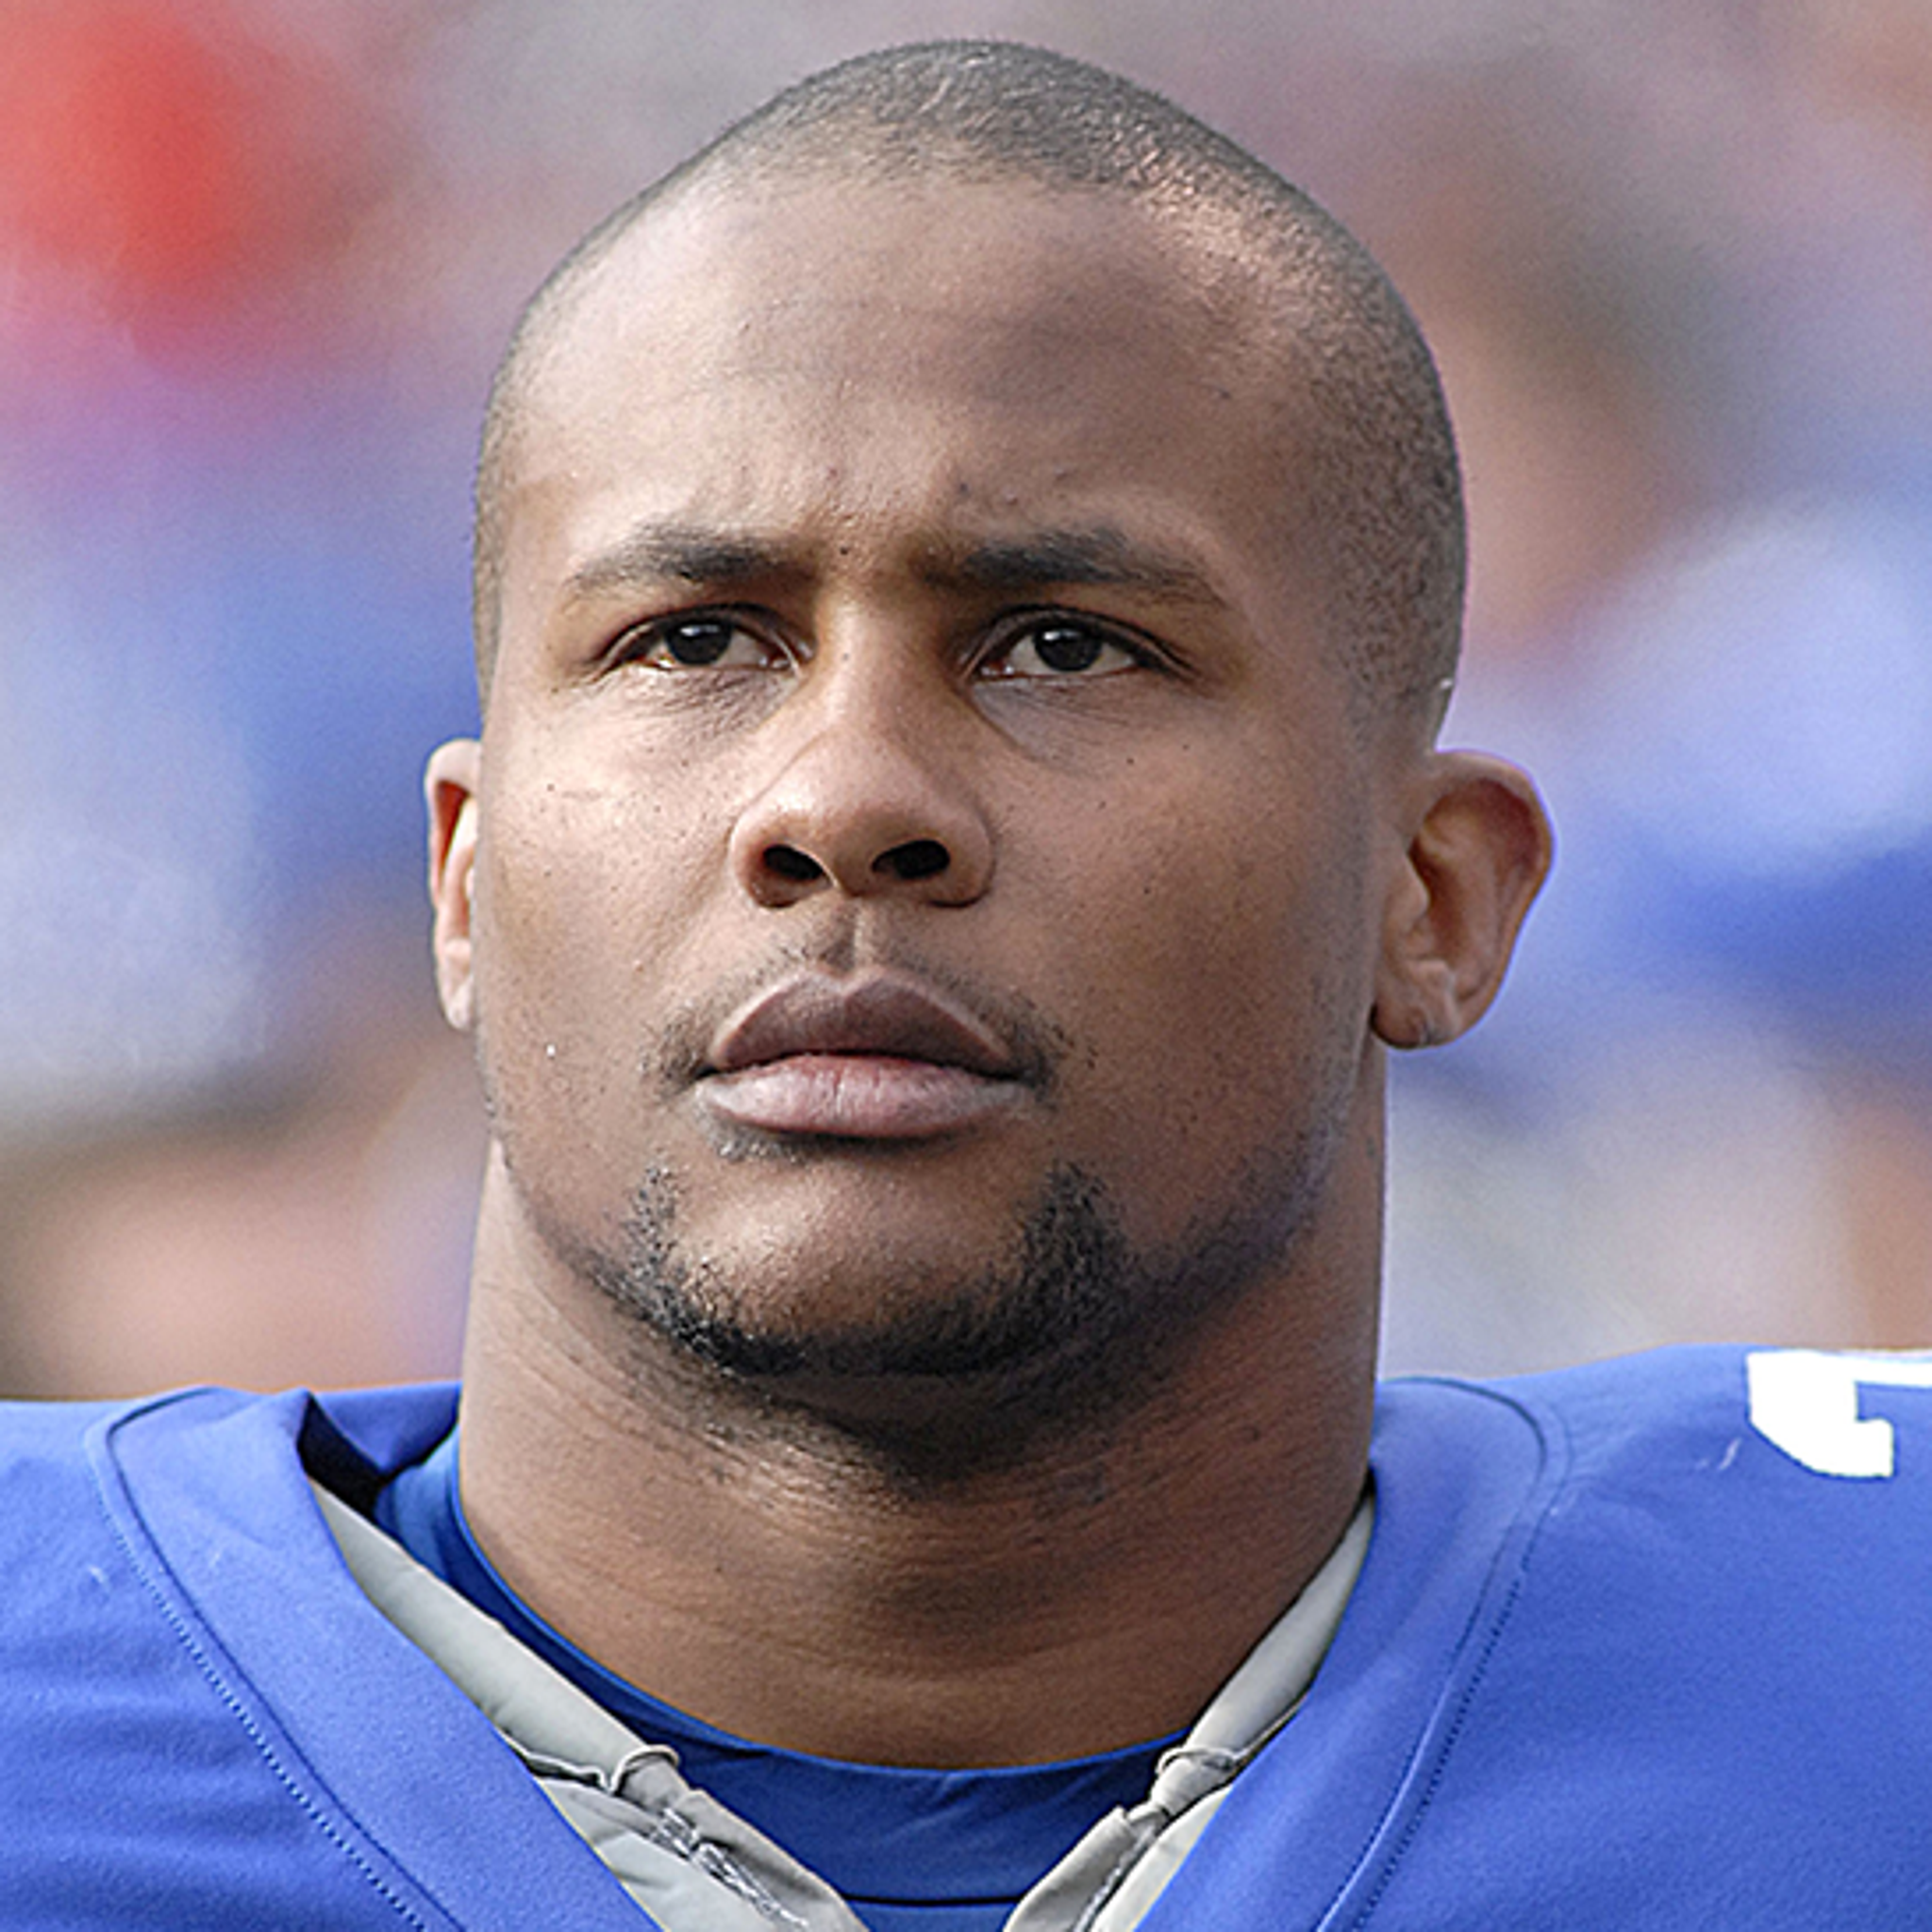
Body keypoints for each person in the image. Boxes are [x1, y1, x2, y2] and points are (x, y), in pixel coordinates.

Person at [3, 41, 1927, 1931]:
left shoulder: (1861, 1665)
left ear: (1436, 896)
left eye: (1062, 646)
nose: (843, 798)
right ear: (466, 878)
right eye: (692, 638)